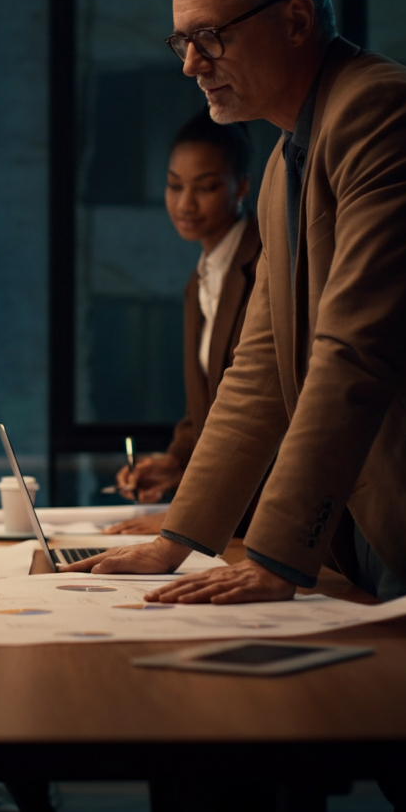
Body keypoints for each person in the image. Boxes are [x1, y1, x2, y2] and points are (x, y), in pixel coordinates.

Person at [63, 0, 406, 812]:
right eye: (181, 39)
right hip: (377, 518)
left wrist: (275, 552)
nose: (191, 64)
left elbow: (353, 353)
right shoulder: (284, 158)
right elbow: (260, 363)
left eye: (211, 37)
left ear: (295, 19)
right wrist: (180, 536)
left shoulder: (385, 114)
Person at [108, 110, 259, 536]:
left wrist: (190, 516)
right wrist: (175, 463)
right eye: (175, 186)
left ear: (242, 187)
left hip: (266, 509)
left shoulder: (266, 263)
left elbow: (259, 407)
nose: (185, 204)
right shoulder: (199, 281)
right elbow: (211, 406)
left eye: (207, 187)